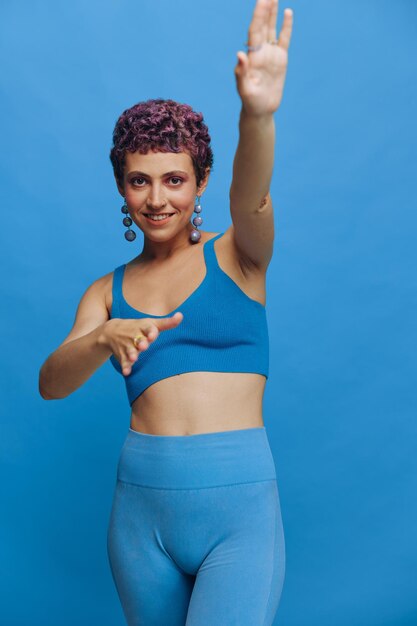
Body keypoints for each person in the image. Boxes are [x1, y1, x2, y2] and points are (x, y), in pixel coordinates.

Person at [39, 0, 294, 623]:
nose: (157, 199)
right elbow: (51, 384)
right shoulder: (107, 290)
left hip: (238, 512)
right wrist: (102, 338)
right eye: (139, 180)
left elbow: (252, 194)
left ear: (200, 181)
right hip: (139, 517)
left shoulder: (239, 258)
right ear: (122, 187)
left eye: (174, 179)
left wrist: (256, 115)